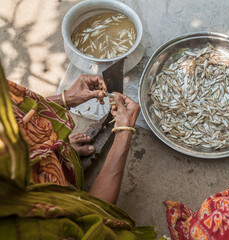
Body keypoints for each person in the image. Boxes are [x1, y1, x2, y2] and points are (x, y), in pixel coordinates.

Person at [0, 64, 158, 239]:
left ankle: (60, 162)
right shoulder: (28, 226)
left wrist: (66, 98)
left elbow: (18, 114)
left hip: (44, 161)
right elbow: (96, 220)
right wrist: (124, 132)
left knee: (59, 153)